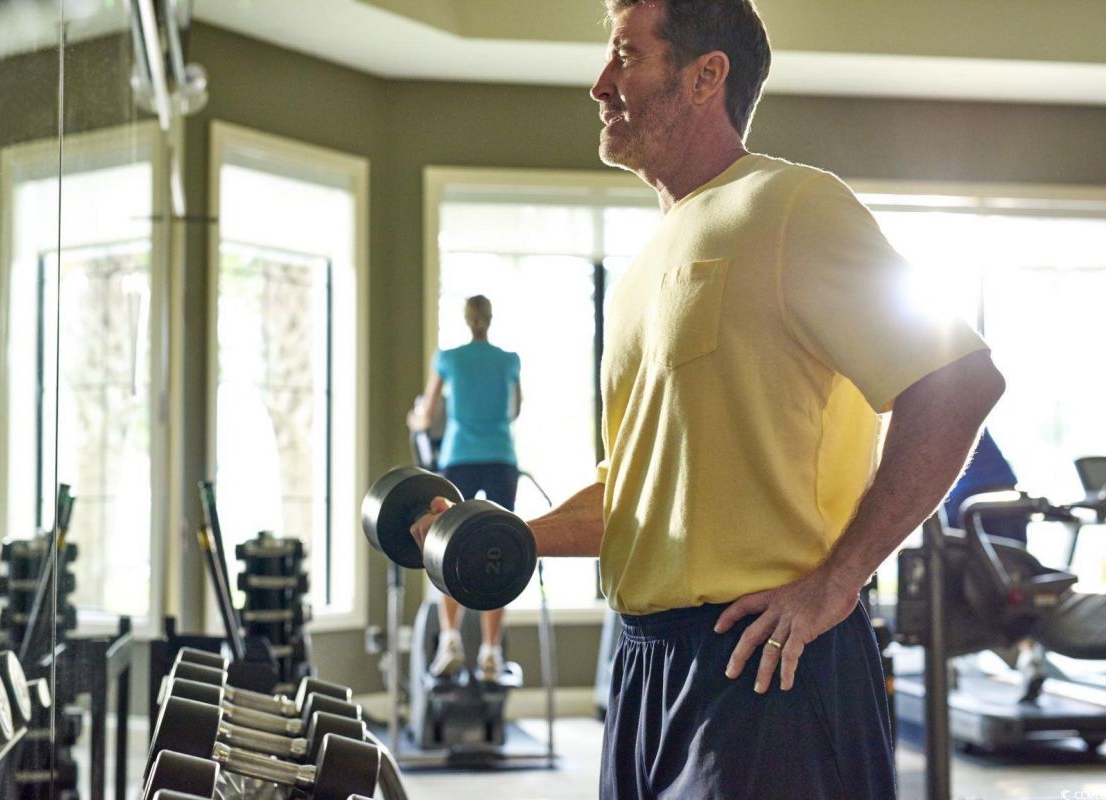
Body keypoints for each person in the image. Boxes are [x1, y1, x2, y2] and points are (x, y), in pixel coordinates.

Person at [414, 1, 1005, 797]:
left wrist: (840, 580)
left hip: (765, 662)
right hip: (644, 667)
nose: (600, 84)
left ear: (706, 76)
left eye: (627, 56)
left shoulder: (790, 203)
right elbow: (641, 494)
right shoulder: (646, 264)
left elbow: (958, 381)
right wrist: (495, 538)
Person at [408, 295, 522, 681]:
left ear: (466, 319)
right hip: (501, 458)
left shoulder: (448, 359)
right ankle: (490, 653)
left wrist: (415, 419)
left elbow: (427, 415)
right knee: (502, 550)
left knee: (447, 546)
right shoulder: (509, 360)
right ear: (490, 319)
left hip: (460, 457)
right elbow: (514, 410)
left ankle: (451, 641)